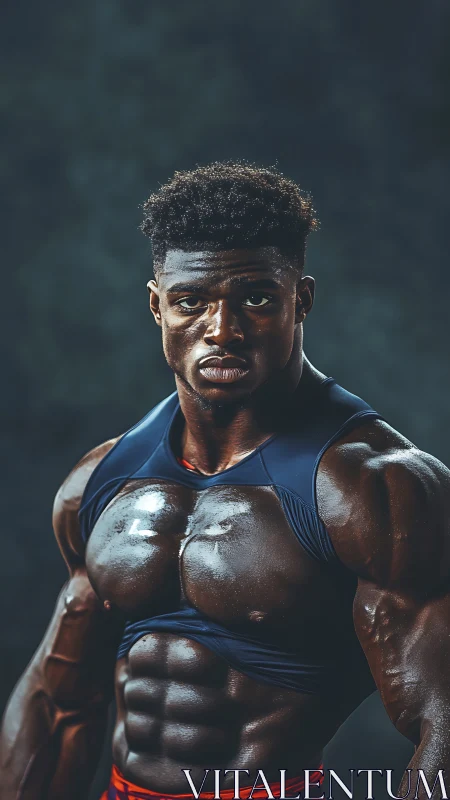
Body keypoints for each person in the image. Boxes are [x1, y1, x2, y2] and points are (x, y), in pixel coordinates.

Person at [1, 162, 449, 800]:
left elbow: (444, 724)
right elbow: (58, 701)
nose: (222, 329)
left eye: (257, 298)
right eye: (191, 302)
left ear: (303, 299)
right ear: (157, 304)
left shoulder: (376, 489)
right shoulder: (101, 480)